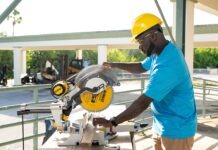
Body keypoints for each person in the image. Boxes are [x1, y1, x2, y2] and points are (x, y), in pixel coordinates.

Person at [93, 13, 197, 150]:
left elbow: (142, 103)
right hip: (161, 123)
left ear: (153, 36)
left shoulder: (169, 64)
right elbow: (140, 67)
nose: (139, 47)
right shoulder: (159, 53)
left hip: (177, 129)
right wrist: (113, 65)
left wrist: (113, 121)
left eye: (140, 41)